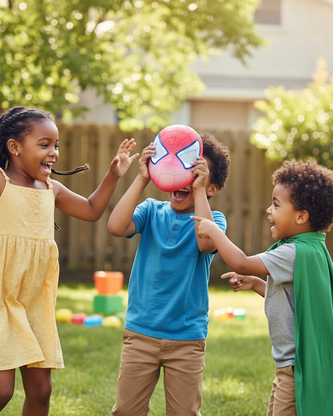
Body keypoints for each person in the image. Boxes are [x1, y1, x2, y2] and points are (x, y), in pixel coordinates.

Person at [0, 105, 138, 416]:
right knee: (0, 391)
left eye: (56, 145)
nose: (54, 153)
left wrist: (114, 175)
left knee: (41, 390)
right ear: (14, 147)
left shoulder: (51, 188)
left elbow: (91, 210)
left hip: (35, 298)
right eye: (44, 144)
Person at [192, 159, 333, 416]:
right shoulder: (313, 248)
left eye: (276, 205)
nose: (268, 210)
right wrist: (256, 283)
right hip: (291, 366)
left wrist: (214, 231)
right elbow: (294, 301)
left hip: (293, 369)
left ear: (301, 216)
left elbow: (241, 262)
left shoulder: (294, 252)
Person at [108, 132, 231, 416]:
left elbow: (205, 242)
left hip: (187, 338)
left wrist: (198, 190)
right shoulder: (151, 210)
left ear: (211, 187)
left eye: (193, 170)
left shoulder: (215, 221)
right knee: (126, 410)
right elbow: (116, 226)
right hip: (141, 332)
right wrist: (142, 178)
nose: (182, 175)